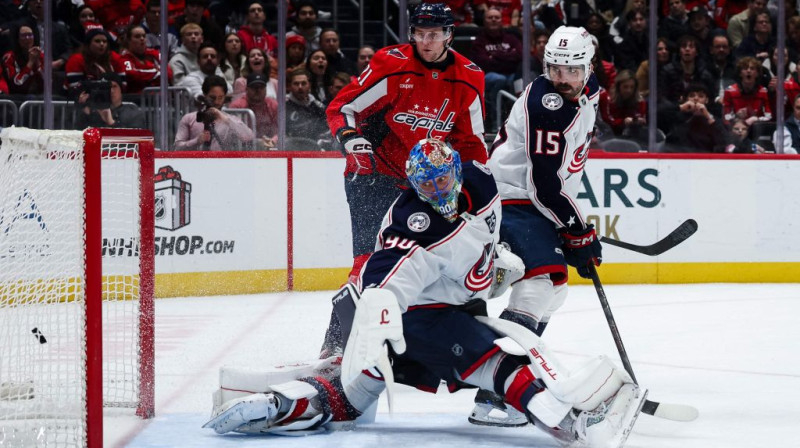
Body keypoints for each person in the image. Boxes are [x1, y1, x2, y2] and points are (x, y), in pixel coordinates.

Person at [202, 139, 647, 448]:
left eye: (440, 181)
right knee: (503, 362)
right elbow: (386, 270)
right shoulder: (413, 223)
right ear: (413, 184)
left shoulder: (481, 179)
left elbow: (517, 202)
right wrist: (380, 305)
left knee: (356, 396)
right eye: (425, 185)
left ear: (455, 169)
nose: (435, 192)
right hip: (417, 316)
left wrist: (561, 233)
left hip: (450, 303)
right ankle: (572, 426)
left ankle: (281, 406)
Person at [481, 25, 603, 427]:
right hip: (512, 195)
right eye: (554, 68)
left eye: (571, 70)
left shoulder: (589, 89)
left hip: (534, 201)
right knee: (536, 285)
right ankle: (494, 396)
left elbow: (556, 181)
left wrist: (572, 228)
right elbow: (544, 183)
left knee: (555, 291)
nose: (562, 79)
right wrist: (576, 228)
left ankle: (518, 379)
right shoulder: (550, 103)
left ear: (587, 67)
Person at [325, 2, 487, 291]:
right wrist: (350, 137)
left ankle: (408, 331)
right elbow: (342, 107)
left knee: (422, 262)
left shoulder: (469, 77)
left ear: (449, 34)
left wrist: (475, 187)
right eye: (419, 33)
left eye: (434, 34)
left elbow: (471, 145)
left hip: (423, 184)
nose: (425, 42)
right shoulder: (393, 64)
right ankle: (338, 336)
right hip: (372, 174)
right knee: (368, 263)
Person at [469, 7, 522, 133]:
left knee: (520, 78)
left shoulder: (511, 38)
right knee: (499, 79)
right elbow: (483, 64)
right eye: (490, 17)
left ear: (501, 20)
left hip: (512, 75)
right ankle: (495, 122)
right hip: (489, 76)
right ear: (484, 21)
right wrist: (507, 58)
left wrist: (496, 56)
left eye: (496, 17)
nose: (493, 20)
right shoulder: (479, 41)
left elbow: (520, 56)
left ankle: (519, 122)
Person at [174, 75, 255, 150]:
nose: (216, 102)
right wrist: (196, 141)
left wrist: (224, 118)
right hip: (195, 163)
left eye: (220, 97)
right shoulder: (189, 118)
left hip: (221, 163)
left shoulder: (229, 119)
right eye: (212, 97)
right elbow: (176, 148)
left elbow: (248, 137)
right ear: (205, 95)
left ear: (225, 96)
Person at [663, 82, 728, 152]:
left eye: (701, 96)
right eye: (691, 96)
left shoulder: (712, 119)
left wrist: (708, 117)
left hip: (705, 157)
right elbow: (657, 114)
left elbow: (724, 141)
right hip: (678, 155)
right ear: (686, 99)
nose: (696, 98)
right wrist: (680, 107)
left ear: (707, 100)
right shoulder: (677, 115)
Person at [75, 72, 145, 129]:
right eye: (106, 88)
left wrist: (111, 123)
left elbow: (134, 138)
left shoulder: (132, 114)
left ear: (121, 90)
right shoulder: (92, 113)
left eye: (114, 86)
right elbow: (78, 137)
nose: (111, 91)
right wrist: (85, 114)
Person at [65, 28, 126, 92]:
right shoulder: (76, 60)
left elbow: (123, 85)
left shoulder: (115, 58)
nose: (102, 44)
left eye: (105, 41)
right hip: (73, 97)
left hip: (110, 96)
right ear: (88, 44)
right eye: (97, 41)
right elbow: (75, 87)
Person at [229, 73, 278, 148]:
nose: (258, 90)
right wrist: (257, 143)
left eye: (261, 87)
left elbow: (280, 130)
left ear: (266, 89)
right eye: (254, 87)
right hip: (243, 149)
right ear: (246, 89)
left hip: (269, 148)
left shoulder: (273, 105)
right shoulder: (237, 107)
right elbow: (232, 135)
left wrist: (273, 141)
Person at [120, 24, 172, 94]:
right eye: (137, 36)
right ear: (129, 40)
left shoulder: (154, 53)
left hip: (160, 98)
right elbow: (132, 75)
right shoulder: (124, 57)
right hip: (137, 99)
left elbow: (169, 73)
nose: (142, 39)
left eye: (144, 36)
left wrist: (147, 74)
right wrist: (156, 72)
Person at [722, 56, 772, 125]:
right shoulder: (729, 91)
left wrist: (756, 119)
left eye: (752, 68)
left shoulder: (763, 91)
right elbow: (726, 117)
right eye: (745, 68)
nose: (748, 71)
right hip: (736, 128)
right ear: (740, 73)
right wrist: (736, 117)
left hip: (756, 127)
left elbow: (769, 116)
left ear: (757, 73)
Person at [599, 69, 647, 139]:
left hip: (633, 134)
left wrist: (639, 121)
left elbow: (641, 117)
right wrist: (623, 121)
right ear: (618, 87)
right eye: (625, 87)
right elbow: (607, 121)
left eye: (632, 87)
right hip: (610, 134)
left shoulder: (640, 101)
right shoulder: (607, 99)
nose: (629, 90)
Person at [285, 68, 328, 142]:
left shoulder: (318, 106)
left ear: (309, 85)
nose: (300, 87)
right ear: (290, 86)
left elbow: (326, 130)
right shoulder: (283, 106)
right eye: (296, 84)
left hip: (315, 147)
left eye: (303, 83)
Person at [2, 24, 44, 95]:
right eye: (23, 35)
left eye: (30, 35)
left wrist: (37, 62)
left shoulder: (40, 55)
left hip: (39, 95)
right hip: (15, 96)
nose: (27, 38)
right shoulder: (9, 57)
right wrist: (30, 62)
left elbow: (48, 83)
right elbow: (17, 85)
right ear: (18, 39)